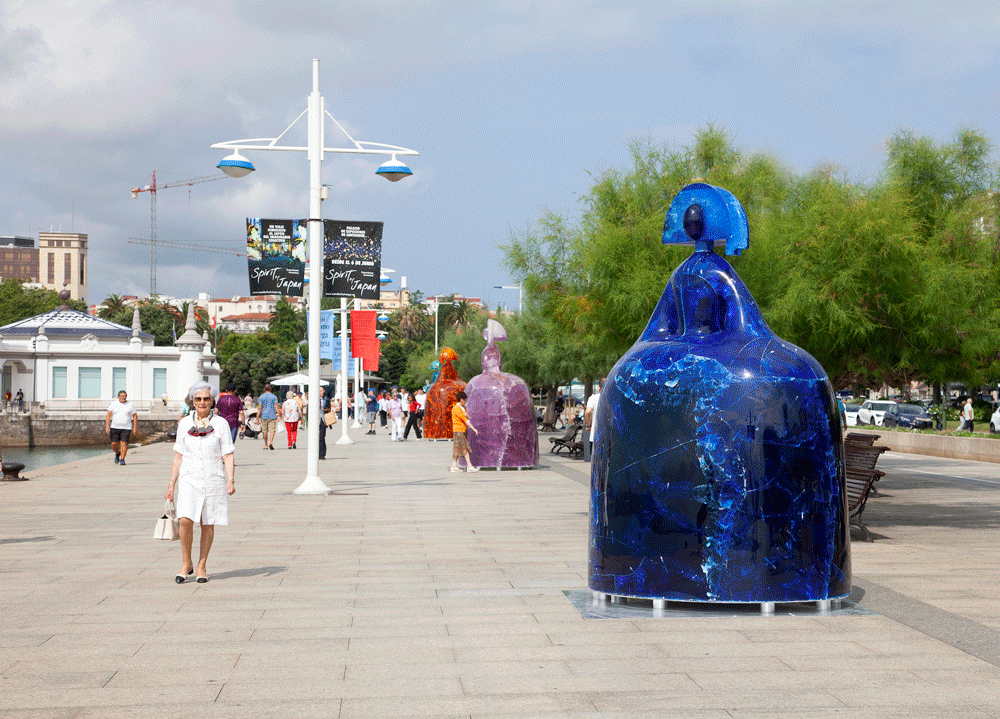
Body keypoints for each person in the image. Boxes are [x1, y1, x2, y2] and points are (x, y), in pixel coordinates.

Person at [164, 382, 235, 584]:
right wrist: (171, 484)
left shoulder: (221, 424)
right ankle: (187, 562)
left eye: (206, 398)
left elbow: (228, 454)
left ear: (212, 400)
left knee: (207, 522)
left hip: (213, 479)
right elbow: (178, 455)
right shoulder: (185, 423)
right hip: (189, 478)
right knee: (185, 520)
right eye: (198, 399)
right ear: (192, 401)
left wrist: (230, 479)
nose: (202, 402)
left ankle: (202, 564)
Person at [105, 390, 138, 466]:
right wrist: (107, 425)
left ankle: (122, 459)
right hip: (115, 427)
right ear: (119, 396)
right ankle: (117, 453)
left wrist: (135, 427)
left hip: (126, 428)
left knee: (124, 444)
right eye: (122, 396)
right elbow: (108, 415)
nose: (124, 397)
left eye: (125, 396)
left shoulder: (130, 404)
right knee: (114, 444)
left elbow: (135, 416)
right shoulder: (114, 404)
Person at [450, 390, 479, 472]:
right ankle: (469, 466)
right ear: (461, 399)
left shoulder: (463, 408)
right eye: (465, 400)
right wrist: (473, 429)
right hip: (458, 430)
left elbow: (466, 417)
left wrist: (467, 416)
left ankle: (454, 466)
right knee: (464, 447)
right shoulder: (456, 408)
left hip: (462, 430)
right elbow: (465, 419)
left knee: (457, 447)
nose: (465, 402)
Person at [585, 378, 606, 452]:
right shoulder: (614, 398)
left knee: (596, 460)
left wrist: (588, 425)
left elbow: (587, 412)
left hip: (595, 435)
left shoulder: (593, 398)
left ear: (599, 388)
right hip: (610, 437)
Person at [258, 383, 279, 450]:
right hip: (272, 415)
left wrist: (257, 417)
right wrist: (279, 414)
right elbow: (276, 406)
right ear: (270, 389)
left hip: (264, 416)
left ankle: (266, 445)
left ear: (264, 389)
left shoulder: (261, 397)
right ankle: (271, 442)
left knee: (265, 431)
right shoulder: (274, 396)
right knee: (272, 430)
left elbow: (259, 408)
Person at [318, 386, 330, 459]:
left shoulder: (326, 399)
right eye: (321, 391)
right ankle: (316, 452)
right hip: (316, 420)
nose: (323, 392)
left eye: (323, 390)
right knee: (316, 437)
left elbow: (329, 409)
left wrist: (327, 409)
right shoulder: (313, 400)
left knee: (322, 436)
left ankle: (322, 453)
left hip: (323, 420)